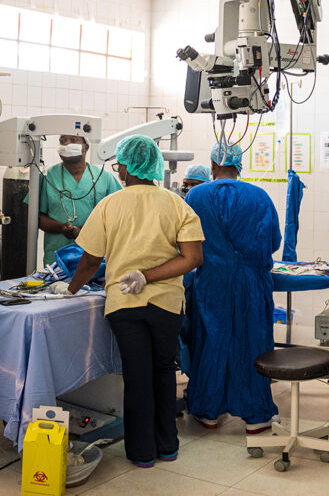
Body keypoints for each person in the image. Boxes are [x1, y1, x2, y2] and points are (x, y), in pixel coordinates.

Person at [54, 135, 204, 467]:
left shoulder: (110, 204)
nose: (119, 168)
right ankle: (168, 445)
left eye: (120, 163)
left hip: (125, 305)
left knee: (137, 377)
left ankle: (141, 453)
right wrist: (149, 276)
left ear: (125, 166)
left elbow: (91, 260)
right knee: (164, 372)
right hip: (166, 304)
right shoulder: (177, 203)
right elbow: (192, 258)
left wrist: (70, 289)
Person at [184, 143, 283, 433]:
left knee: (211, 342)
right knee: (253, 343)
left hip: (211, 282)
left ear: (212, 166)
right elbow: (274, 241)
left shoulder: (196, 195)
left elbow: (184, 240)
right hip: (251, 283)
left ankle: (208, 411)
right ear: (240, 166)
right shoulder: (259, 197)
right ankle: (257, 415)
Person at [33, 134, 122, 265]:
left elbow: (117, 216)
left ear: (85, 147)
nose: (67, 144)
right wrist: (62, 228)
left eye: (73, 140)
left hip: (96, 256)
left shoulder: (104, 177)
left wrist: (86, 229)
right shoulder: (48, 177)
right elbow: (37, 217)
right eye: (62, 141)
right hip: (57, 257)